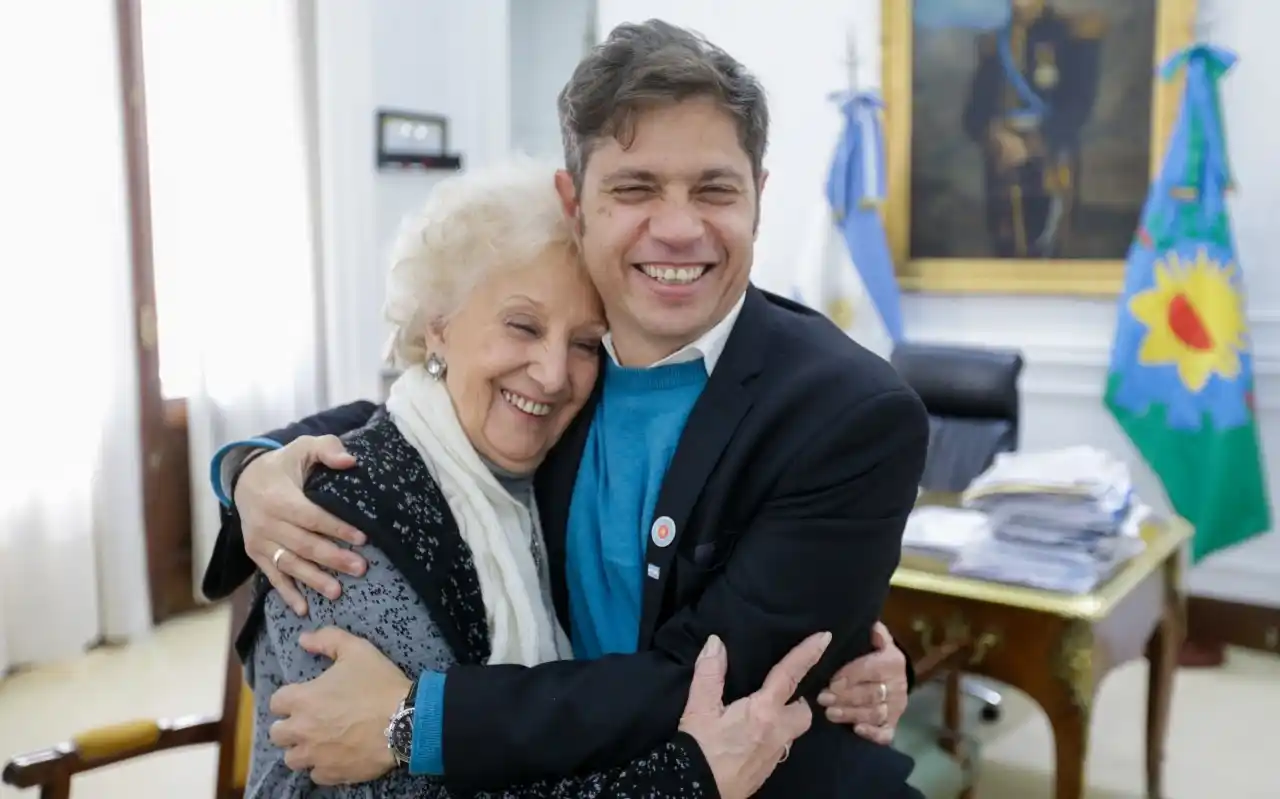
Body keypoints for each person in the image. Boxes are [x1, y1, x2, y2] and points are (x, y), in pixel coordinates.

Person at [205, 19, 925, 798]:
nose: (679, 228)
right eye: (635, 187)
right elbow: (407, 418)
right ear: (573, 200)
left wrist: (420, 719)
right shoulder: (572, 364)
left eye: (714, 188)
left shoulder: (853, 411)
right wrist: (249, 466)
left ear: (759, 198)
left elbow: (705, 678)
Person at [238, 160, 826, 797]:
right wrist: (682, 783)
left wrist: (846, 662)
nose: (551, 375)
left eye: (584, 344)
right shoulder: (336, 517)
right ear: (437, 326)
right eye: (522, 325)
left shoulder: (560, 481)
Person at [961, 0, 1104, 258]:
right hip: (1003, 168)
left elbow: (1078, 108)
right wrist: (996, 136)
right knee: (1005, 255)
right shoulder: (995, 39)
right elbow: (974, 114)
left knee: (1050, 255)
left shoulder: (1072, 35)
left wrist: (1030, 146)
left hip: (1052, 164)